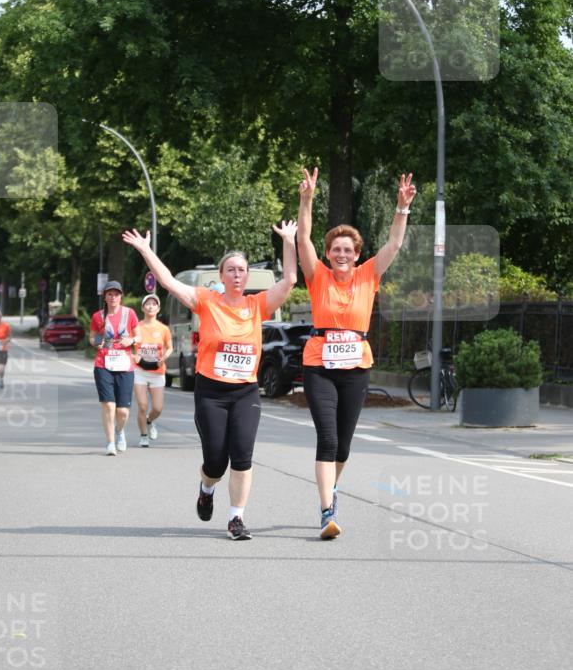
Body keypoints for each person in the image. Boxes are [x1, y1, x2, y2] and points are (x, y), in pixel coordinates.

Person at [123, 221, 298, 541]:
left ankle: (236, 519)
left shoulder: (257, 305)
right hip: (211, 392)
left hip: (246, 391)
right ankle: (206, 489)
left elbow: (289, 280)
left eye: (241, 270)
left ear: (246, 276)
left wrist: (289, 241)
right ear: (221, 276)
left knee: (242, 455)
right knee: (216, 461)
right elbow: (168, 282)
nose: (236, 274)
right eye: (230, 270)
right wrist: (147, 251)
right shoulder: (206, 300)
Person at [297, 166, 417, 539]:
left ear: (357, 253)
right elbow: (303, 238)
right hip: (319, 364)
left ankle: (332, 487)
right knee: (328, 439)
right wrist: (307, 199)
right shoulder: (317, 276)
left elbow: (394, 245)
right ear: (329, 254)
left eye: (348, 249)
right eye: (336, 249)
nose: (342, 254)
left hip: (355, 366)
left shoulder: (368, 275)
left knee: (344, 445)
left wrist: (402, 208)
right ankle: (326, 510)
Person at [89, 280, 140, 455]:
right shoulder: (98, 316)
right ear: (105, 296)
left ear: (121, 296)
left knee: (122, 411)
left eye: (116, 294)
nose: (113, 297)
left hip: (125, 365)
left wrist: (131, 340)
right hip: (103, 364)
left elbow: (139, 335)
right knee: (109, 406)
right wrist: (97, 342)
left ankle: (120, 431)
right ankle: (110, 442)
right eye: (109, 294)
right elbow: (92, 337)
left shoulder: (130, 313)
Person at [133, 294, 173, 447]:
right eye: (147, 304)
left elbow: (170, 348)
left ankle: (149, 421)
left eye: (153, 304)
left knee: (157, 408)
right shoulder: (137, 327)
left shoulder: (163, 329)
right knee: (142, 405)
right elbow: (129, 343)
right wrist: (134, 355)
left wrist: (164, 356)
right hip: (140, 371)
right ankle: (143, 435)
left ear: (158, 308)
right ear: (143, 308)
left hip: (157, 372)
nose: (150, 306)